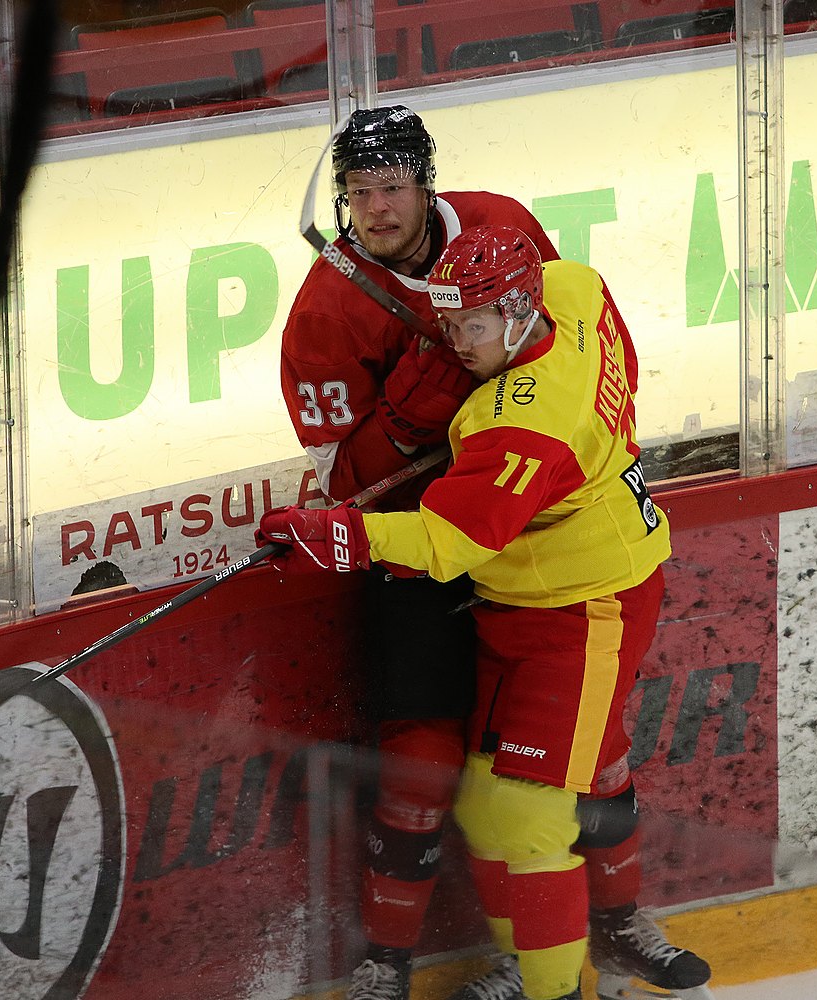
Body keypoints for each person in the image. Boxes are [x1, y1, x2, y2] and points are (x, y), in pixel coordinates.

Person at [275, 109, 710, 1000]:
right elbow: (345, 479)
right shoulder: (324, 313)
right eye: (357, 194)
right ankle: (386, 962)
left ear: (427, 181)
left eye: (392, 187)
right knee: (431, 774)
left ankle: (611, 930)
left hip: (527, 557)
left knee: (584, 764)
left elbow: (559, 332)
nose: (376, 209)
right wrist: (408, 421)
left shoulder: (499, 227)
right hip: (422, 553)